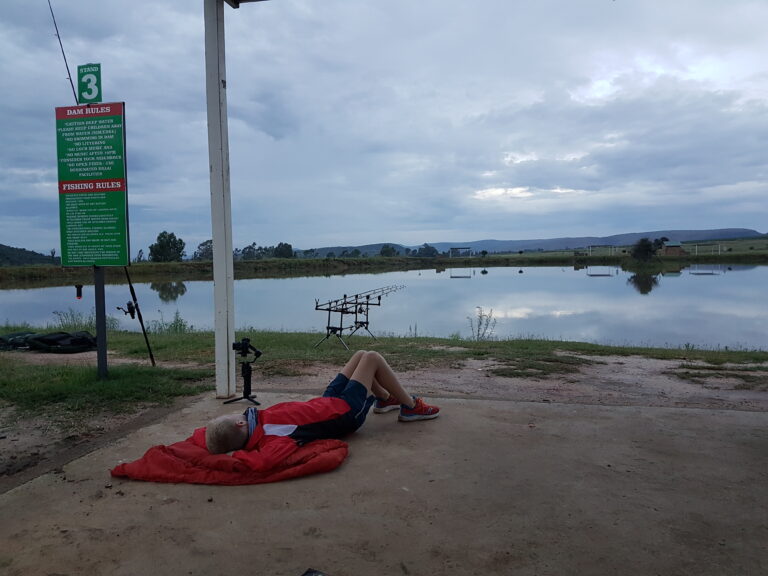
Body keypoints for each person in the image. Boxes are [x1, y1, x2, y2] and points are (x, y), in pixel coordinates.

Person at [204, 350, 439, 471]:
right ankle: (410, 407)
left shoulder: (256, 423)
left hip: (326, 403)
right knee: (372, 358)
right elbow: (266, 461)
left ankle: (385, 399)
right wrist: (235, 458)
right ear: (240, 424)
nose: (238, 413)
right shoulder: (271, 438)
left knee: (360, 355)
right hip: (343, 413)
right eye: (230, 416)